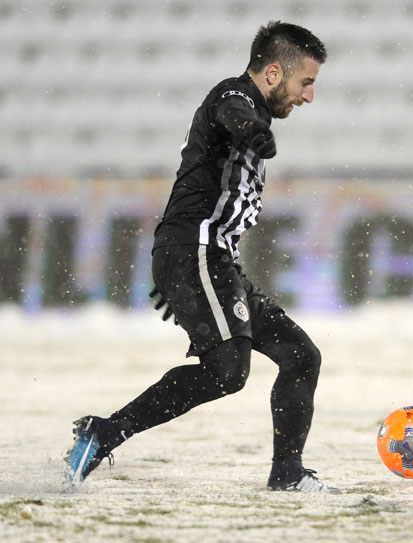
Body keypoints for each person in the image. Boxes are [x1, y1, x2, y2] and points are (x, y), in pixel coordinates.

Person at [65, 21, 335, 493]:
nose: (309, 96)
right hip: (196, 252)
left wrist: (181, 278)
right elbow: (232, 112)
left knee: (300, 355)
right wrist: (252, 130)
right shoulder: (234, 97)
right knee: (228, 371)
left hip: (207, 259)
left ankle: (288, 473)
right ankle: (104, 433)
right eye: (305, 82)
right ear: (273, 73)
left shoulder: (252, 107)